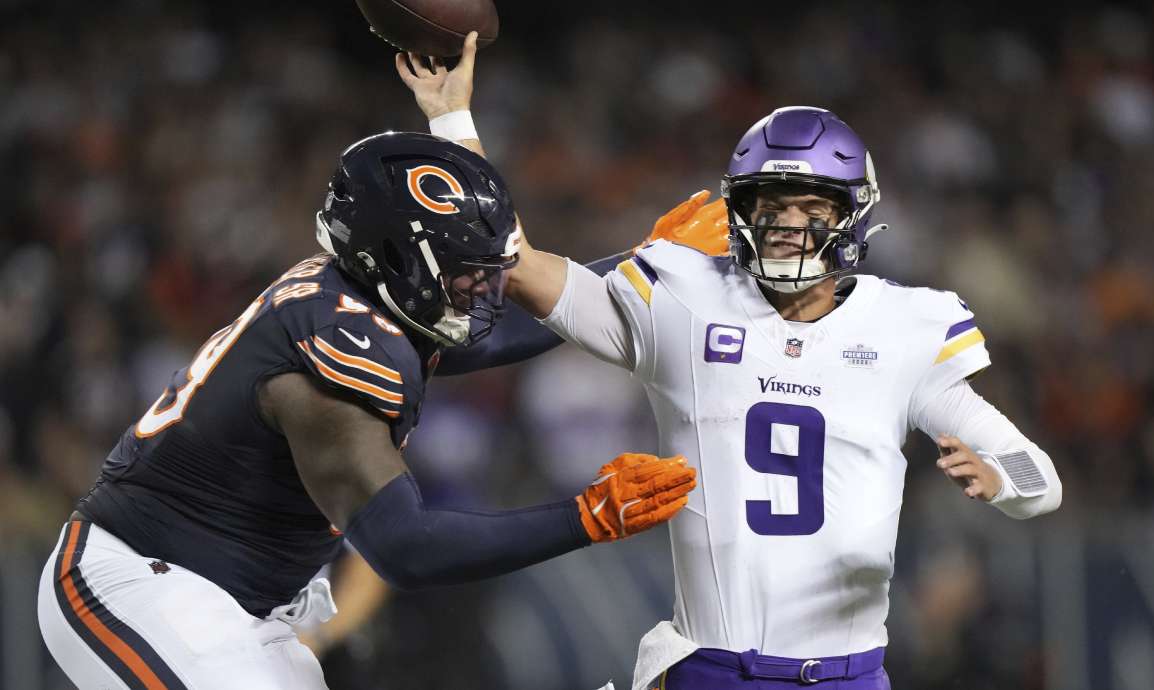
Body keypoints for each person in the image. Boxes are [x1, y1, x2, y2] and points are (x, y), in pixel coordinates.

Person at [399, 33, 1062, 690]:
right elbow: (513, 262)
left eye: (811, 207)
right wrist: (451, 117)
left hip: (848, 677)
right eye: (770, 207)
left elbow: (1042, 480)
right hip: (712, 670)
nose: (787, 225)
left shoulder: (903, 329)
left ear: (853, 215)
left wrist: (999, 480)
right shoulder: (685, 299)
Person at [36, 131, 696, 689]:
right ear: (397, 258)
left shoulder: (364, 296)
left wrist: (652, 270)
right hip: (142, 585)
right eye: (465, 269)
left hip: (237, 603)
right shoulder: (335, 356)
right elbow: (404, 547)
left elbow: (502, 333)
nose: (485, 287)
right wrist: (588, 516)